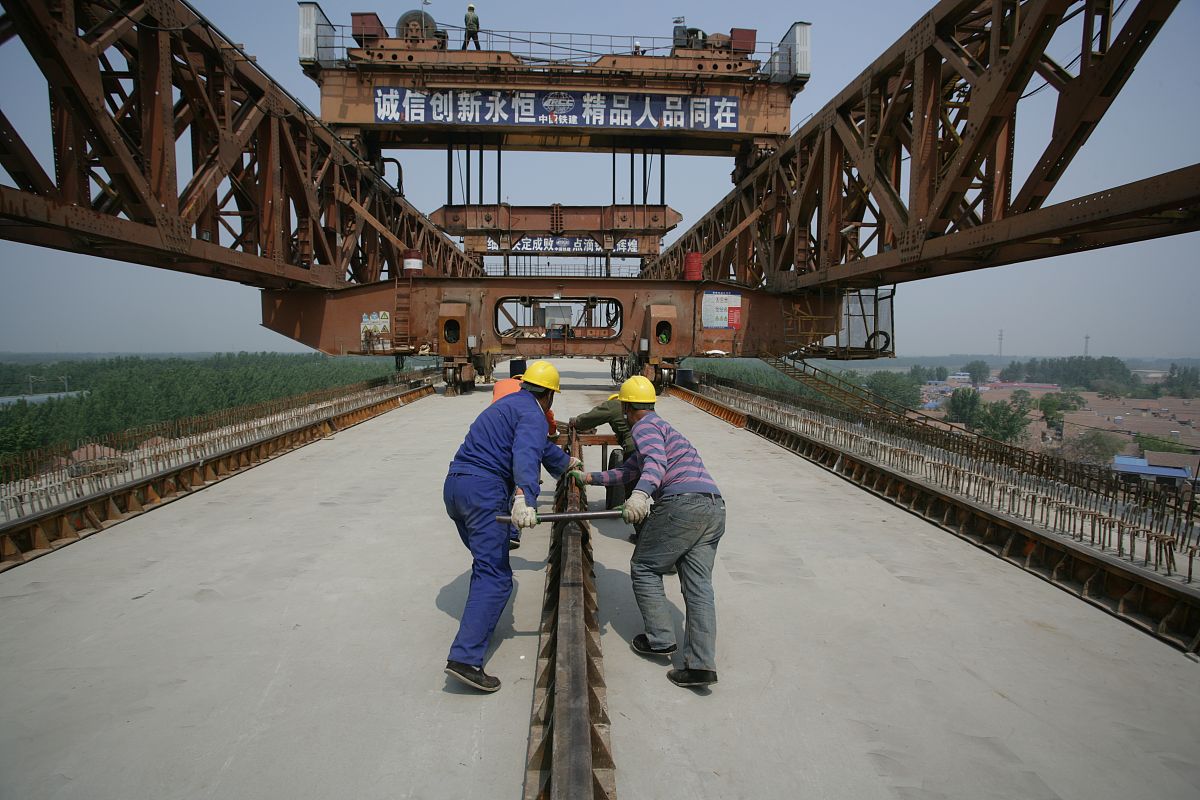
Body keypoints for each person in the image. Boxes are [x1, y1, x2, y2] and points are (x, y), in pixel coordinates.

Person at [570, 376, 725, 688]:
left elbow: (655, 463)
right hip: (713, 508)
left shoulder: (644, 426)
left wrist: (639, 496)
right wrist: (588, 478)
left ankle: (660, 639)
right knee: (698, 587)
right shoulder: (665, 428)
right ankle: (701, 665)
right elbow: (629, 470)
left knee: (644, 566)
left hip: (682, 504)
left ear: (627, 407)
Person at [443, 360, 579, 691]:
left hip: (456, 487)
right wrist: (525, 498)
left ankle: (476, 628)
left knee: (485, 564)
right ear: (549, 396)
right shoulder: (533, 414)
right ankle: (465, 658)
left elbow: (543, 449)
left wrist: (570, 467)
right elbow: (526, 455)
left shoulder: (509, 405)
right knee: (497, 577)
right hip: (484, 493)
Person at [571, 393, 640, 539]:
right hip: (646, 450)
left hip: (633, 450)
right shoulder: (642, 409)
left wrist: (576, 422)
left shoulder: (614, 405)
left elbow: (590, 418)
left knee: (632, 494)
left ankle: (643, 534)